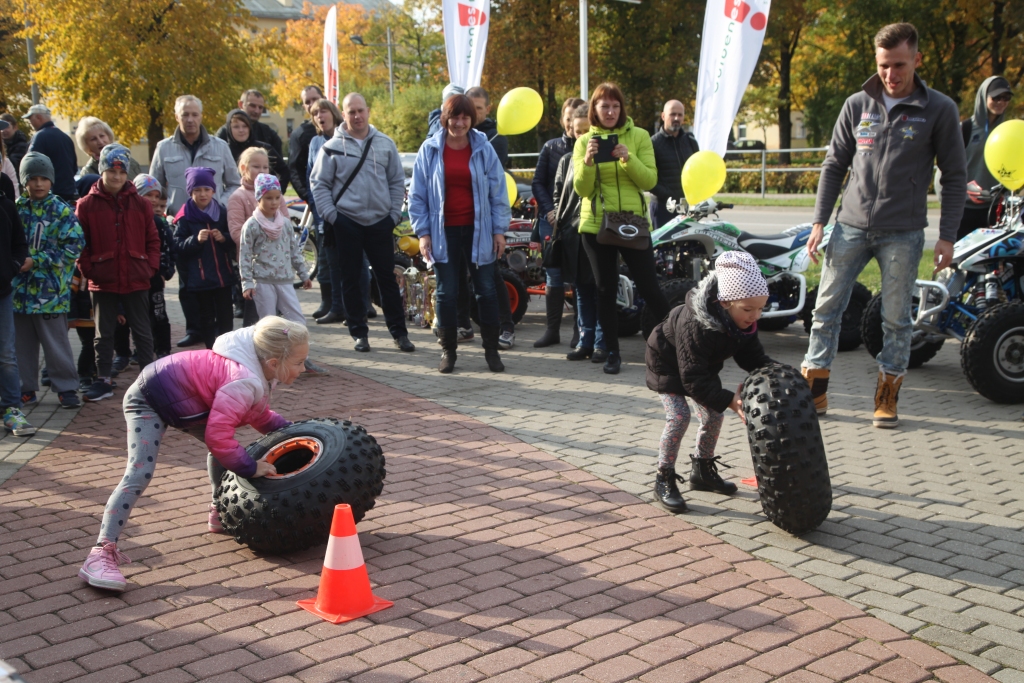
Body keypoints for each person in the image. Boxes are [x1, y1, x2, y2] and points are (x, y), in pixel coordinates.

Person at [802, 22, 966, 429]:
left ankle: (887, 396)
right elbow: (834, 164)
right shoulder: (857, 104)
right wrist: (820, 221)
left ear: (917, 60)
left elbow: (956, 177)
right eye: (883, 66)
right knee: (825, 310)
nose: (890, 75)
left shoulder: (939, 109)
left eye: (899, 65)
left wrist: (947, 235)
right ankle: (815, 392)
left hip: (903, 233)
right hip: (850, 226)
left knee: (896, 320)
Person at [77, 316, 307, 591]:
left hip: (187, 402)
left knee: (225, 449)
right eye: (298, 362)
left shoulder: (256, 371)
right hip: (149, 398)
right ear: (273, 363)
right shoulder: (244, 380)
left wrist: (294, 430)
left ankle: (218, 511)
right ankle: (100, 552)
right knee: (140, 472)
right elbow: (218, 437)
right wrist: (249, 467)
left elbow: (256, 414)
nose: (303, 368)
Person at [645, 252, 773, 512]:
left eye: (761, 308)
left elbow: (752, 356)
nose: (755, 316)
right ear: (725, 302)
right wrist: (731, 401)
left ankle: (702, 471)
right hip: (667, 363)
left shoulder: (742, 321)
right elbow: (692, 379)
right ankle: (664, 478)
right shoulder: (696, 324)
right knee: (679, 417)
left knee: (713, 416)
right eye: (748, 309)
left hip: (699, 367)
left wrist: (775, 372)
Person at [574, 82, 670, 375]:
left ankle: (675, 345)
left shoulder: (640, 136)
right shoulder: (583, 141)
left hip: (633, 225)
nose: (610, 111)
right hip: (596, 227)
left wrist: (628, 159)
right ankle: (612, 352)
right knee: (604, 290)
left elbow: (649, 181)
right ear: (595, 109)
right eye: (604, 106)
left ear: (622, 108)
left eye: (615, 106)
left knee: (650, 288)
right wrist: (589, 161)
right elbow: (581, 189)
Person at [411, 94, 509, 373]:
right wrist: (423, 232)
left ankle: (492, 351)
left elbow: (498, 192)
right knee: (446, 293)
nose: (460, 122)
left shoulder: (484, 148)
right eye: (455, 117)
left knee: (487, 291)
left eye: (465, 117)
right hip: (443, 233)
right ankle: (448, 351)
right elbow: (417, 195)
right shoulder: (429, 149)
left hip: (480, 231)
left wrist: (499, 230)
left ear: (472, 119)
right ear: (446, 117)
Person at [310, 93, 414, 353]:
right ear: (342, 115)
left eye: (360, 110)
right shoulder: (331, 147)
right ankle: (359, 334)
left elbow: (396, 182)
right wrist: (334, 217)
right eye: (351, 112)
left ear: (368, 111)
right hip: (347, 223)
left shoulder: (385, 144)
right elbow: (318, 184)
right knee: (351, 281)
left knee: (387, 281)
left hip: (380, 222)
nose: (356, 116)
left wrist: (392, 215)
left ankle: (399, 333)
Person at [150, 95, 241, 348]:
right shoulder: (164, 147)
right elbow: (156, 184)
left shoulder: (219, 146)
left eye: (194, 114)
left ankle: (220, 334)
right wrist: (165, 212)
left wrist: (218, 204)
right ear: (177, 116)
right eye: (185, 115)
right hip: (182, 222)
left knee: (218, 277)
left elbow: (233, 182)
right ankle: (195, 329)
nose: (190, 119)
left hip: (214, 220)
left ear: (201, 116)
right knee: (188, 281)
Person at [76, 145, 161, 402]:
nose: (115, 176)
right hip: (103, 279)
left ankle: (150, 380)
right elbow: (80, 244)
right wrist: (89, 270)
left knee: (143, 329)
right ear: (101, 170)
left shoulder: (140, 204)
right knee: (103, 332)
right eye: (110, 171)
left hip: (137, 276)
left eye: (121, 171)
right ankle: (103, 379)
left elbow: (152, 240)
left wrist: (149, 268)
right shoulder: (86, 205)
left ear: (126, 173)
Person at [13, 152, 85, 410]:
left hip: (50, 293)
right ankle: (25, 388)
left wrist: (39, 260)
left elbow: (75, 245)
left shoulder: (61, 210)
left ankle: (66, 387)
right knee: (21, 345)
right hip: (18, 293)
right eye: (33, 178)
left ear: (52, 181)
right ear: (24, 181)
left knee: (56, 344)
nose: (39, 184)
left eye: (44, 178)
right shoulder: (16, 209)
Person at [305, 98, 372, 325]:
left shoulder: (348, 138)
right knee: (333, 263)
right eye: (315, 114)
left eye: (323, 111)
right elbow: (311, 180)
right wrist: (320, 211)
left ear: (335, 114)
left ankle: (362, 306)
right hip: (326, 214)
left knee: (358, 262)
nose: (319, 117)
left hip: (352, 213)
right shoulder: (315, 143)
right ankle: (337, 307)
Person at [554, 103, 606, 361]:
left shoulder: (603, 155)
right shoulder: (566, 160)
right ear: (571, 130)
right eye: (577, 131)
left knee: (600, 289)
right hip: (574, 233)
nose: (582, 135)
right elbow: (559, 194)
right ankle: (584, 340)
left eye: (587, 130)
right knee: (581, 291)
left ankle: (600, 341)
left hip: (598, 228)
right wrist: (559, 220)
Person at [532, 97, 585, 347]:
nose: (570, 123)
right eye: (567, 117)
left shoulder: (589, 148)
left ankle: (579, 332)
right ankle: (552, 331)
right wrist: (550, 210)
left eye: (575, 118)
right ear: (563, 119)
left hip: (578, 223)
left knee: (578, 278)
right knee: (553, 277)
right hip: (551, 222)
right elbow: (538, 183)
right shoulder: (551, 148)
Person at [173, 167, 236, 350]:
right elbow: (177, 245)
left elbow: (233, 239)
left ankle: (228, 349)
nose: (202, 194)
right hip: (201, 279)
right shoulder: (184, 217)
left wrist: (224, 238)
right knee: (206, 318)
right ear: (190, 191)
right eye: (197, 190)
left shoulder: (221, 211)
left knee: (226, 316)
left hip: (223, 276)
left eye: (206, 189)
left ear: (213, 191)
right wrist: (195, 240)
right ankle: (211, 350)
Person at [228, 147, 289, 327]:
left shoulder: (277, 195)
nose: (262, 171)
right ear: (244, 168)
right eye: (256, 167)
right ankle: (252, 351)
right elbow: (236, 232)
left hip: (279, 268)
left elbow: (286, 226)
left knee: (283, 316)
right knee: (256, 318)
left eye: (265, 167)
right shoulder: (238, 197)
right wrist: (263, 239)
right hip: (256, 271)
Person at [122, 175, 175, 361]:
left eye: (156, 195)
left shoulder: (159, 222)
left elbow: (167, 248)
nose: (153, 200)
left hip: (154, 277)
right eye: (147, 195)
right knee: (137, 316)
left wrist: (164, 272)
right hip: (135, 276)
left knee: (159, 314)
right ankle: (139, 349)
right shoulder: (129, 217)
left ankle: (163, 349)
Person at [0, 162, 33, 436]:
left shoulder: (6, 203)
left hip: (2, 290)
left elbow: (19, 244)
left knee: (6, 353)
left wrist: (11, 266)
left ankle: (11, 408)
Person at [958, 76, 1012, 241]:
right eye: (996, 97)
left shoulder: (1008, 131)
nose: (1001, 102)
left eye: (1006, 98)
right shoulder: (965, 129)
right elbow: (945, 169)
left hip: (996, 208)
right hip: (964, 209)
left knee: (994, 263)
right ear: (983, 97)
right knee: (958, 262)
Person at [215, 89, 288, 193]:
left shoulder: (268, 135)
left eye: (261, 107)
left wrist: (276, 195)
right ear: (241, 104)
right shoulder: (222, 137)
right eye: (252, 106)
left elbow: (282, 170)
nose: (257, 111)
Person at [650, 100, 699, 228]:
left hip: (688, 206)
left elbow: (697, 170)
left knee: (690, 246)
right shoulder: (653, 143)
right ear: (663, 116)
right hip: (663, 208)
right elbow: (648, 178)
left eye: (680, 115)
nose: (676, 118)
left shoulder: (690, 141)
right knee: (663, 247)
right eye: (672, 114)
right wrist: (668, 194)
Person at [23, 105, 78, 203]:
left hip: (49, 197)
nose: (30, 123)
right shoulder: (66, 137)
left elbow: (30, 166)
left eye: (30, 119)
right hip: (69, 193)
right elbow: (74, 167)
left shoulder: (40, 137)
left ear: (39, 117)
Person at [220, 109, 288, 182]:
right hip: (233, 192)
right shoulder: (224, 150)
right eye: (236, 127)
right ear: (229, 129)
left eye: (245, 126)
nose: (241, 130)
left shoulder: (263, 148)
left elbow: (284, 171)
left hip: (263, 192)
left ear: (250, 128)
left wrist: (276, 190)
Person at [287, 85, 325, 205]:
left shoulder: (341, 127)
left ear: (324, 98)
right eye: (307, 102)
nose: (312, 104)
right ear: (304, 106)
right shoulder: (299, 134)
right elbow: (295, 169)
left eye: (315, 99)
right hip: (318, 199)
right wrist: (308, 197)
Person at [76, 117, 143, 179]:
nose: (100, 141)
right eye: (93, 139)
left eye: (102, 136)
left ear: (109, 136)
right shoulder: (88, 172)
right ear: (86, 145)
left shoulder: (129, 161)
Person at [466, 86, 509, 170]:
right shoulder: (456, 132)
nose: (473, 112)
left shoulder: (497, 136)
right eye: (469, 107)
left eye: (478, 108)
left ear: (487, 109)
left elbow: (493, 170)